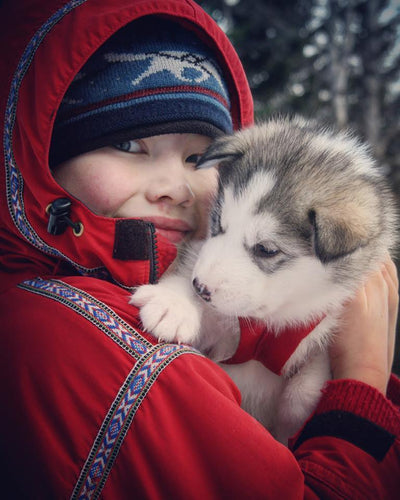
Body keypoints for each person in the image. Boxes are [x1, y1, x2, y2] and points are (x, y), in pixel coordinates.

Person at [0, 0, 399, 498]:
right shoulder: (70, 339)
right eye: (128, 145)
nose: (176, 187)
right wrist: (362, 385)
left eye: (196, 156)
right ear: (40, 156)